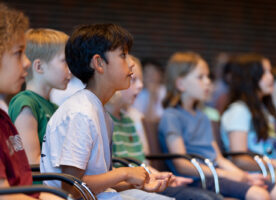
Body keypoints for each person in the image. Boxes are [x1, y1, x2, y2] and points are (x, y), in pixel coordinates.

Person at [40, 24, 174, 200]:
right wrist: (124, 173)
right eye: (123, 55)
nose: (131, 63)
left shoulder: (99, 111)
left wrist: (141, 181)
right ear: (99, 63)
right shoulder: (81, 113)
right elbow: (71, 187)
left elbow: (100, 183)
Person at [159, 51, 276, 199]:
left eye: (208, 76)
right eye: (200, 77)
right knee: (259, 194)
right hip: (199, 179)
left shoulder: (202, 116)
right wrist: (226, 174)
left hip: (216, 174)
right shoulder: (171, 116)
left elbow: (218, 158)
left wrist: (243, 176)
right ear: (180, 84)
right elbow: (181, 164)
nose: (208, 82)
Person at [106, 55, 223, 200]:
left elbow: (142, 162)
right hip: (128, 185)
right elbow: (114, 170)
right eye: (133, 79)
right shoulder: (105, 120)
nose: (141, 86)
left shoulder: (130, 119)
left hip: (144, 180)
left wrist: (159, 176)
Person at [0, 3, 63, 200]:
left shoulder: (2, 116)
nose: (27, 62)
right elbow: (6, 195)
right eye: (18, 52)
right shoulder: (24, 104)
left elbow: (24, 183)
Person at [220, 53, 276, 195]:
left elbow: (274, 151)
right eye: (265, 73)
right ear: (250, 78)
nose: (271, 77)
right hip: (257, 172)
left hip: (273, 168)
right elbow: (239, 159)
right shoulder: (239, 111)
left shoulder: (264, 109)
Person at [8, 28, 71, 165]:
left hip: (58, 182)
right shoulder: (25, 103)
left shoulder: (55, 108)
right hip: (42, 185)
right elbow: (32, 163)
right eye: (65, 61)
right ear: (39, 66)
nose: (70, 68)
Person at [133, 58, 166, 123]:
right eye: (147, 73)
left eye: (154, 72)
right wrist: (151, 96)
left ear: (160, 75)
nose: (151, 76)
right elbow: (146, 122)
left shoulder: (165, 91)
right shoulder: (137, 94)